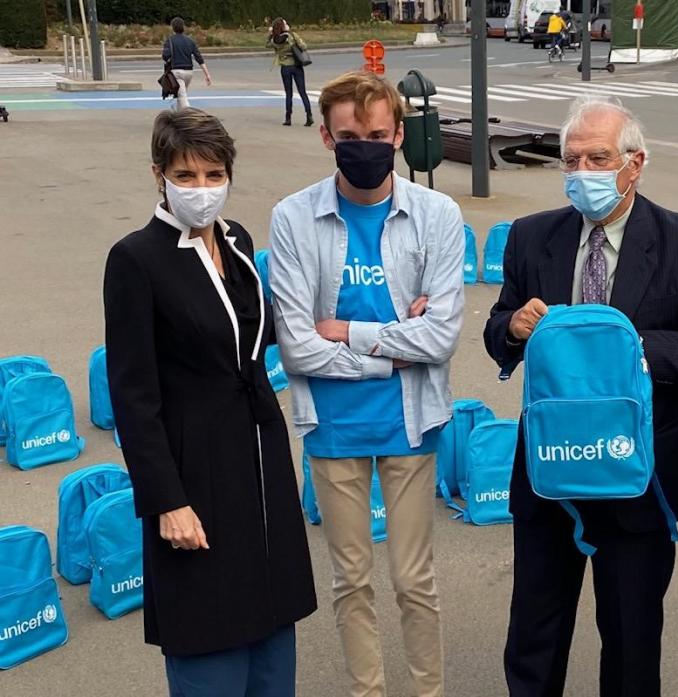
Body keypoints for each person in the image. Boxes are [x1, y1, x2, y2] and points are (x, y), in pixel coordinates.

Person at [484, 95, 678, 697]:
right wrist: (514, 327)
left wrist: (621, 346)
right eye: (571, 161)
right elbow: (499, 333)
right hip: (552, 473)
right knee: (534, 635)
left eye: (598, 158)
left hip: (641, 475)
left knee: (630, 638)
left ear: (635, 164)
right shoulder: (531, 237)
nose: (583, 173)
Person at [103, 108, 317, 696]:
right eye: (186, 175)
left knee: (273, 634)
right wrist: (166, 501)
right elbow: (133, 395)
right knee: (211, 640)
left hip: (259, 459)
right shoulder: (136, 260)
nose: (202, 189)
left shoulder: (236, 239)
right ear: (159, 175)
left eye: (214, 175)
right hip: (193, 471)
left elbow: (249, 334)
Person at [269, 71, 465, 697]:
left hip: (411, 419)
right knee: (350, 579)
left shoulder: (437, 214)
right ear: (327, 137)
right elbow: (297, 346)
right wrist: (389, 349)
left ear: (399, 135)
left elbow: (439, 338)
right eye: (350, 135)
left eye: (379, 134)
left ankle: (427, 691)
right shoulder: (293, 218)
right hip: (333, 425)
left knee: (415, 580)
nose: (366, 145)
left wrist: (348, 332)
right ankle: (367, 691)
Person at [268, 18, 314, 127]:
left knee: (288, 93)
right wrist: (290, 32)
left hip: (285, 67)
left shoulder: (275, 39)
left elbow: (268, 45)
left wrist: (271, 33)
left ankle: (288, 118)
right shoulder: (291, 36)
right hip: (296, 66)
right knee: (302, 92)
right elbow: (304, 46)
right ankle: (309, 116)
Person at [161, 17, 212, 111]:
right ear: (183, 27)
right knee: (181, 96)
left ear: (173, 27)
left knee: (182, 98)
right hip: (189, 73)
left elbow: (165, 56)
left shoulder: (170, 41)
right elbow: (199, 58)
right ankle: (179, 119)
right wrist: (207, 74)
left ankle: (190, 117)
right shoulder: (190, 41)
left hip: (177, 73)